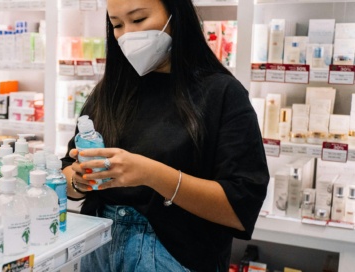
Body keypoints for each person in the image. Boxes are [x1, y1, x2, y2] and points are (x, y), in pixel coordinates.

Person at [60, 0, 269, 271]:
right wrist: (79, 181)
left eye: (138, 20)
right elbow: (66, 172)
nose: (127, 35)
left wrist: (151, 174)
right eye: (117, 25)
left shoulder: (222, 94)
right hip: (99, 250)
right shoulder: (109, 92)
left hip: (176, 254)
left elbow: (240, 208)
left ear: (175, 14)